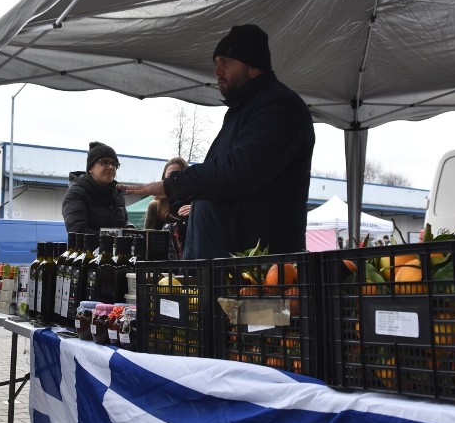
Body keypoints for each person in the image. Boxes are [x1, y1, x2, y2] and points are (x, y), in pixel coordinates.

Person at [122, 24, 314, 259]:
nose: (217, 71)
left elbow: (238, 170)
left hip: (255, 267)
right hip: (225, 263)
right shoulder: (241, 112)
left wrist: (172, 185)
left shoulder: (279, 107)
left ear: (253, 66)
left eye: (226, 62)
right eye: (216, 63)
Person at [62, 141, 128, 234]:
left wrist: (129, 228)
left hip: (117, 248)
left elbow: (123, 223)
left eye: (114, 164)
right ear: (90, 168)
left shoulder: (117, 193)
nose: (111, 167)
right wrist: (116, 238)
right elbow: (78, 232)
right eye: (104, 162)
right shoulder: (76, 193)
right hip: (88, 249)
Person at [144, 157, 191, 256]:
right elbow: (148, 244)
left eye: (179, 174)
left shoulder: (196, 205)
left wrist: (197, 212)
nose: (174, 179)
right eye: (170, 176)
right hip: (165, 269)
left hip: (194, 264)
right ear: (164, 179)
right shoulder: (155, 207)